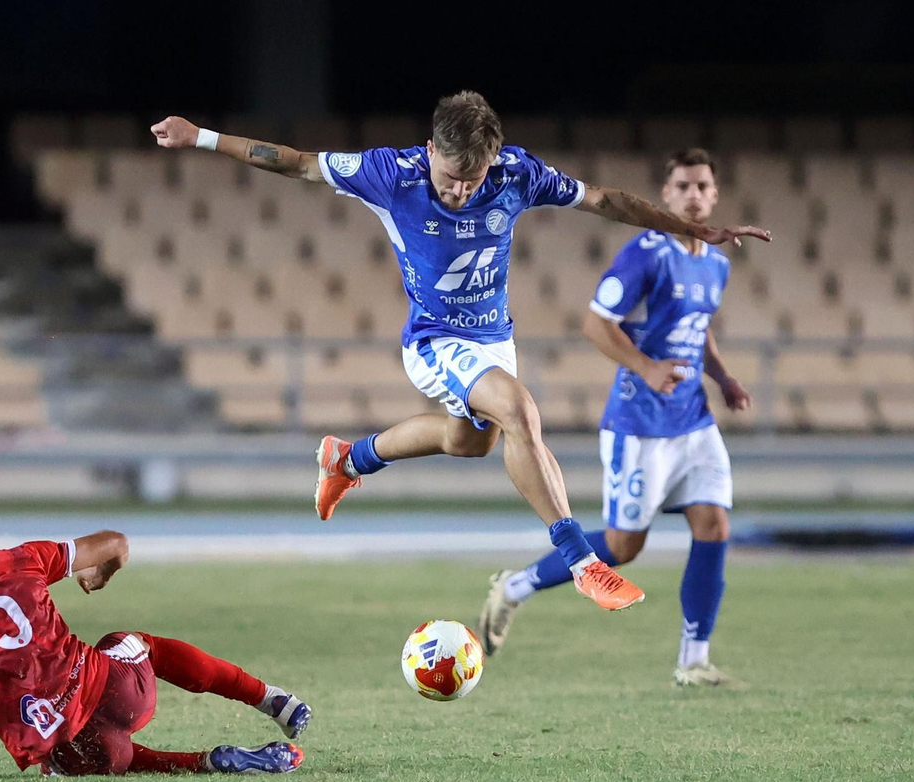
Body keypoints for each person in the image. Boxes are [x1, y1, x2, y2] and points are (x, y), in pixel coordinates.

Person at [150, 92, 770, 613]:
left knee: (467, 443)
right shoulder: (391, 174)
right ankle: (582, 562)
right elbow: (295, 162)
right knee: (521, 411)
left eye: (471, 180)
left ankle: (348, 458)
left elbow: (604, 200)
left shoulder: (517, 174)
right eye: (449, 177)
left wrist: (690, 229)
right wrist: (201, 136)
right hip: (434, 340)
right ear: (430, 151)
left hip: (493, 339)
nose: (457, 190)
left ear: (492, 160)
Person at [480, 148, 750, 687]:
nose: (694, 195)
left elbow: (699, 329)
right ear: (666, 195)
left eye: (702, 186)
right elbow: (596, 323)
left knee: (714, 526)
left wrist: (723, 378)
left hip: (694, 421)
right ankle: (514, 587)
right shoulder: (646, 253)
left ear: (715, 194)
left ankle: (693, 661)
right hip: (639, 423)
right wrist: (647, 368)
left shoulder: (716, 262)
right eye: (683, 186)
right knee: (624, 548)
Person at [0, 501, 309, 781]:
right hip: (117, 691)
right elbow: (117, 542)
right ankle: (270, 699)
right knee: (132, 641)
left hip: (67, 747)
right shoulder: (17, 558)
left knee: (78, 757)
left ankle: (205, 763)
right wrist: (100, 573)